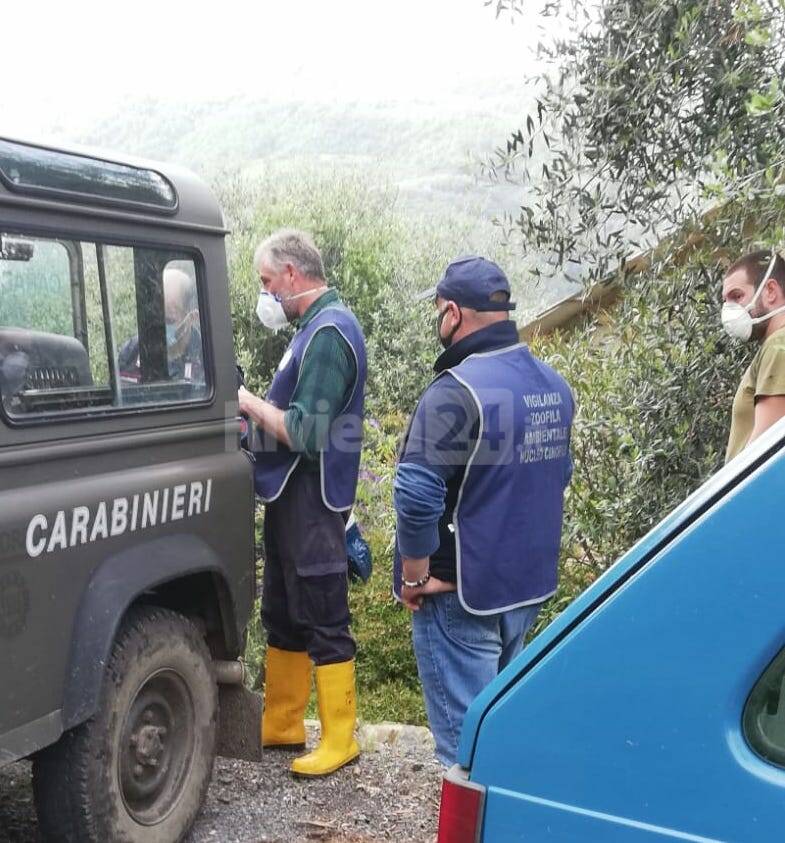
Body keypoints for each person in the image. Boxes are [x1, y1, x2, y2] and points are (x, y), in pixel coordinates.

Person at [393, 255, 574, 767]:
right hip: (524, 591)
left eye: (437, 311)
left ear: (453, 313)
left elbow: (415, 491)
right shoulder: (553, 386)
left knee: (467, 757)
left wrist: (414, 572)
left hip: (459, 597)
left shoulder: (456, 390)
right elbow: (557, 476)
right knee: (494, 734)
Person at [237, 229, 366, 777]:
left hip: (315, 500)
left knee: (323, 612)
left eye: (267, 282)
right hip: (290, 497)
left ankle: (340, 737)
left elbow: (308, 432)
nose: (265, 294)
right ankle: (284, 722)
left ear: (292, 275)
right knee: (285, 612)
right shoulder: (311, 328)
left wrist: (245, 402)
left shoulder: (330, 335)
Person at [722, 249, 785, 462]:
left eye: (737, 296)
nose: (729, 310)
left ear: (770, 291)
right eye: (726, 301)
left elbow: (762, 452)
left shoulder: (778, 346)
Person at [118, 267, 203, 382]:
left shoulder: (208, 358)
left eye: (169, 320)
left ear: (191, 316)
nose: (161, 326)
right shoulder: (132, 352)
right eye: (157, 315)